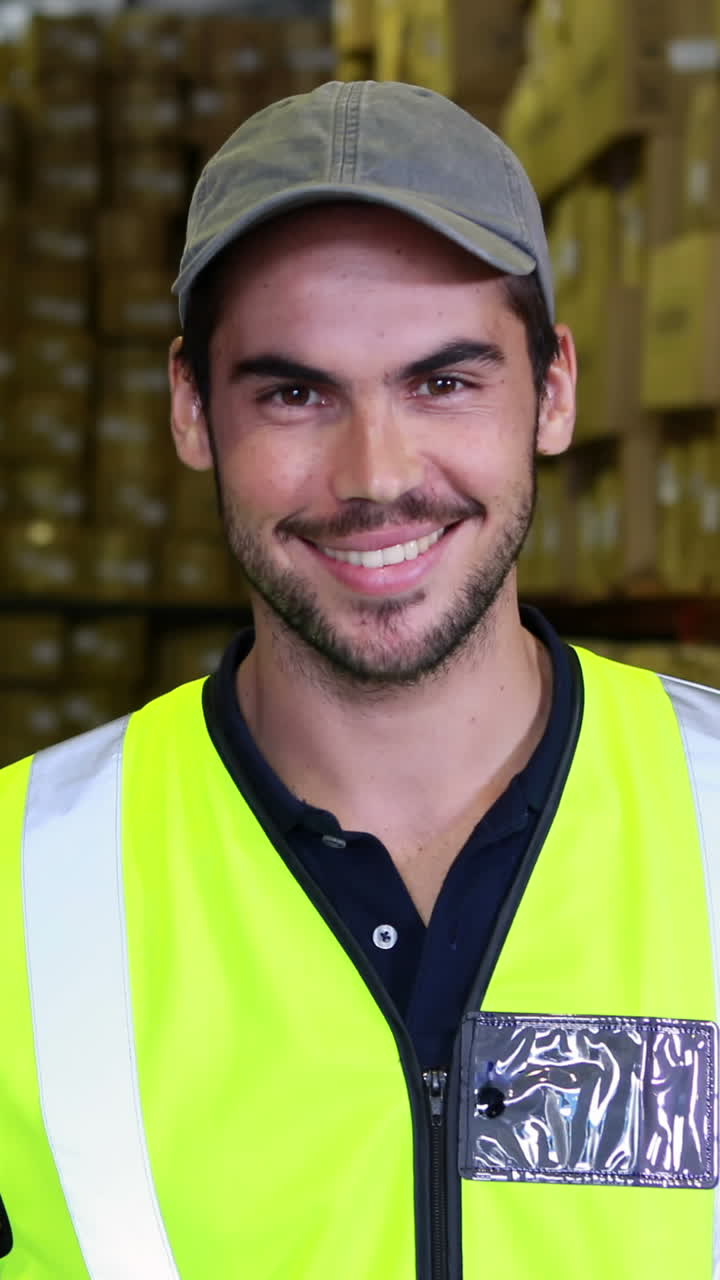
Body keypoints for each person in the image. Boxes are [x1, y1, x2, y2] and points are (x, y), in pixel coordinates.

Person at [1, 80, 719, 1280]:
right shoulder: (19, 886)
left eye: (443, 381)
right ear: (191, 409)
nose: (376, 474)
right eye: (295, 392)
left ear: (554, 391)